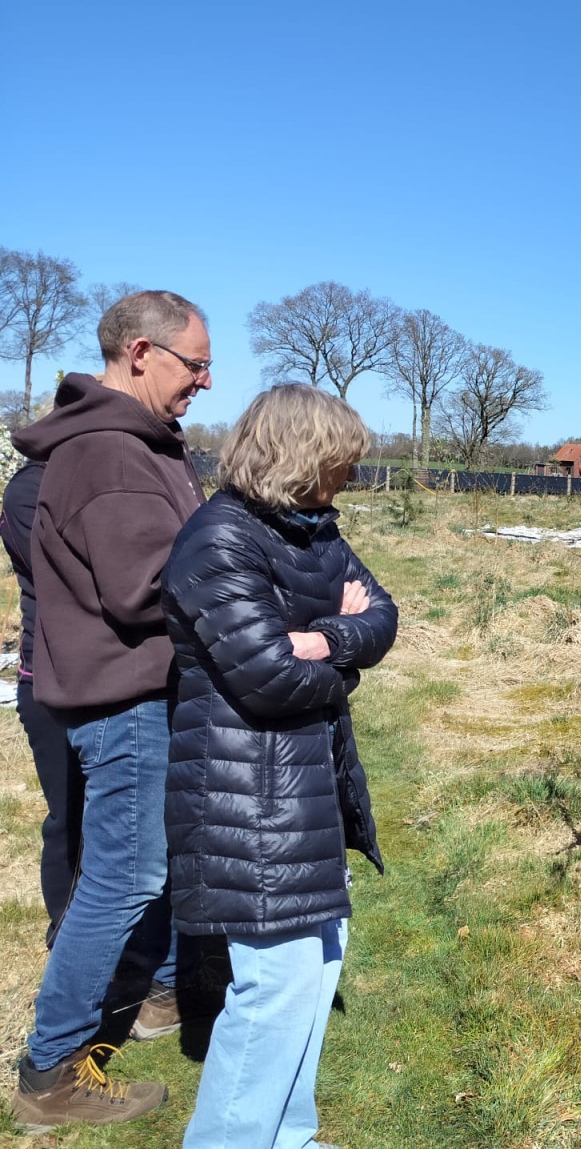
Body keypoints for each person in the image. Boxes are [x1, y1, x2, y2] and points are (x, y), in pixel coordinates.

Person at [163, 383, 396, 1149]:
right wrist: (341, 649)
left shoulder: (315, 531)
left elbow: (382, 615)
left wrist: (323, 641)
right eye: (341, 461)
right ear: (301, 458)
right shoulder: (218, 540)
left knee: (317, 971)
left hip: (306, 785)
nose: (351, 476)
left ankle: (287, 1137)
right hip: (248, 796)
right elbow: (268, 676)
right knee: (273, 992)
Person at [9, 290, 212, 1131]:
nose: (205, 381)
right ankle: (51, 1070)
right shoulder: (109, 452)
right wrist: (249, 581)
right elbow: (143, 589)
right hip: (125, 697)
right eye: (195, 364)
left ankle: (160, 992)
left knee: (149, 862)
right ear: (140, 353)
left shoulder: (140, 443)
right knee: (122, 878)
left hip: (145, 690)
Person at [1, 458, 83, 944]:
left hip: (100, 676)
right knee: (69, 812)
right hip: (51, 680)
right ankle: (66, 928)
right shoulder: (31, 487)